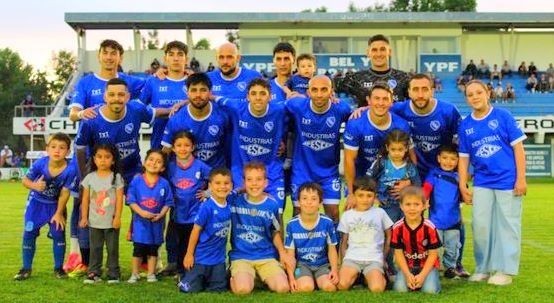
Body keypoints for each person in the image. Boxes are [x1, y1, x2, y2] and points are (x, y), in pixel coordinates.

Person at [458, 80, 527, 286]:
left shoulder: (503, 116)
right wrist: (462, 184)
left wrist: (521, 178)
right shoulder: (465, 125)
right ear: (467, 99)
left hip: (507, 181)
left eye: (479, 92)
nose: (475, 97)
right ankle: (483, 268)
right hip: (482, 182)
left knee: (508, 225)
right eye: (470, 94)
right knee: (481, 226)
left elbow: (518, 149)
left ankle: (505, 270)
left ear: (488, 93)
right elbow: (463, 158)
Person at [287, 75, 352, 223]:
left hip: (328, 172)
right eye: (314, 90)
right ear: (308, 92)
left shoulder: (342, 109)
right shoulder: (296, 105)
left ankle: (333, 246)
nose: (319, 94)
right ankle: (297, 246)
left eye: (324, 89)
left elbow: (359, 118)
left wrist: (365, 108)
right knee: (298, 213)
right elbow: (276, 113)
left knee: (334, 214)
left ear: (332, 91)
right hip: (302, 171)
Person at [216, 79, 287, 210]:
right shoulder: (236, 107)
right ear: (248, 96)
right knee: (240, 214)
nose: (258, 98)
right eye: (253, 93)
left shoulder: (280, 109)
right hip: (241, 171)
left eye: (262, 93)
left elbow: (304, 103)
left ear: (270, 96)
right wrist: (183, 102)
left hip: (272, 171)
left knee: (276, 213)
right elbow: (212, 97)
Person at [14, 133, 76, 280]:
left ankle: (59, 269)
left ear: (68, 152)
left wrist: (59, 213)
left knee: (58, 233)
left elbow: (65, 193)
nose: (57, 151)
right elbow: (25, 181)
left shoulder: (71, 169)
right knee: (29, 233)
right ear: (47, 149)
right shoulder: (40, 163)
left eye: (62, 148)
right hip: (36, 204)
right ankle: (26, 268)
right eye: (53, 147)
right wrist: (35, 185)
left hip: (55, 205)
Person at [344, 82, 413, 210]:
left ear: (391, 102)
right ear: (368, 100)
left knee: (394, 226)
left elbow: (410, 158)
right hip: (362, 181)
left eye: (385, 99)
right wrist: (351, 192)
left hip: (391, 184)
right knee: (357, 223)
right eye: (376, 98)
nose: (380, 103)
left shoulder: (401, 125)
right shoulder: (356, 123)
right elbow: (349, 160)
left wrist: (409, 181)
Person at [228, 162, 292, 294]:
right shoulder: (234, 201)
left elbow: (275, 232)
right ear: (244, 182)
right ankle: (234, 276)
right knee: (243, 290)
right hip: (241, 256)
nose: (254, 183)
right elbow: (220, 195)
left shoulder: (271, 204)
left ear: (266, 182)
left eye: (258, 179)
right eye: (249, 180)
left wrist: (282, 253)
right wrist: (240, 189)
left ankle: (257, 276)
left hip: (266, 256)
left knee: (283, 288)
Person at [391, 73, 461, 180]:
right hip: (412, 172)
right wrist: (363, 109)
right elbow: (378, 108)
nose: (420, 95)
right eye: (415, 89)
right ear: (409, 92)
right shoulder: (399, 110)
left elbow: (462, 144)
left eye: (424, 89)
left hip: (443, 171)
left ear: (432, 91)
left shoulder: (448, 111)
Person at [178, 168, 232, 293]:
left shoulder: (229, 205)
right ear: (210, 186)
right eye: (217, 183)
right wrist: (189, 254)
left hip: (218, 260)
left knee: (218, 290)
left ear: (231, 185)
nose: (222, 187)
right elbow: (195, 231)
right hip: (201, 258)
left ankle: (216, 276)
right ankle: (185, 277)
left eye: (226, 183)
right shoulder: (206, 207)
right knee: (189, 289)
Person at [161, 73, 230, 169]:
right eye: (193, 90)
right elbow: (165, 153)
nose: (198, 95)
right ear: (187, 93)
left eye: (203, 90)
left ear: (210, 92)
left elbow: (231, 146)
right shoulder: (176, 120)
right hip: (187, 175)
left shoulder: (223, 115)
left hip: (216, 174)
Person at [165, 131, 211, 275]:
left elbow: (215, 180)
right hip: (177, 214)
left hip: (195, 214)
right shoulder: (170, 167)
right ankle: (179, 270)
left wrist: (208, 192)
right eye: (179, 145)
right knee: (176, 243)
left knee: (192, 243)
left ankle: (194, 270)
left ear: (193, 147)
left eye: (186, 145)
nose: (182, 148)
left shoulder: (201, 166)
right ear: (173, 148)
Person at [337, 177, 393, 292]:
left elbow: (389, 236)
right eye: (360, 195)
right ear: (354, 196)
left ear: (375, 197)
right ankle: (357, 276)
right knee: (342, 285)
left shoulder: (380, 213)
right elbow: (344, 241)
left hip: (374, 258)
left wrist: (383, 257)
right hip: (352, 258)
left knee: (377, 289)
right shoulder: (348, 215)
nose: (365, 199)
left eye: (369, 196)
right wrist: (342, 262)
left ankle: (370, 276)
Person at [126, 149, 174, 283]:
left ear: (163, 167)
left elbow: (168, 203)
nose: (154, 163)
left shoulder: (164, 183)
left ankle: (151, 274)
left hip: (156, 224)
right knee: (138, 249)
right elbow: (131, 201)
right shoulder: (136, 181)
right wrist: (142, 213)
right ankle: (134, 273)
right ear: (144, 162)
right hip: (140, 224)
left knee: (153, 250)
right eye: (151, 159)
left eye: (158, 162)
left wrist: (161, 215)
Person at [79, 144, 124, 284]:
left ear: (113, 160)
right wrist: (84, 217)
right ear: (94, 159)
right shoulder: (89, 178)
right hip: (94, 221)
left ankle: (113, 272)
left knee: (112, 248)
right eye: (99, 157)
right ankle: (94, 272)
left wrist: (117, 217)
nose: (103, 160)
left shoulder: (116, 177)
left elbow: (119, 200)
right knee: (95, 248)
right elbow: (85, 199)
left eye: (107, 157)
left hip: (110, 222)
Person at [285, 182, 339, 293]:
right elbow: (290, 255)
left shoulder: (327, 223)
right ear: (299, 202)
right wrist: (291, 278)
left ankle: (318, 278)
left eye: (314, 199)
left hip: (322, 265)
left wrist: (334, 270)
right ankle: (307, 279)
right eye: (304, 198)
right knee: (306, 288)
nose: (309, 202)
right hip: (302, 265)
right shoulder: (292, 224)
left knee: (330, 287)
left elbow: (332, 250)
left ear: (320, 203)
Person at [422, 143, 463, 279]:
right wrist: (423, 200)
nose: (448, 162)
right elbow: (427, 188)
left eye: (452, 159)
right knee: (434, 247)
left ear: (458, 160)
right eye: (445, 158)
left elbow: (464, 193)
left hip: (453, 221)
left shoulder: (459, 177)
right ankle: (433, 267)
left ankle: (450, 268)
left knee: (452, 248)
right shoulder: (434, 174)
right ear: (439, 158)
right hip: (435, 220)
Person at [335, 34, 410, 106]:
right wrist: (330, 96)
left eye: (382, 49)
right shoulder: (356, 78)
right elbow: (330, 85)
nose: (379, 54)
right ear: (368, 53)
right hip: (366, 118)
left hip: (395, 119)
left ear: (389, 52)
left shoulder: (403, 78)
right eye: (374, 50)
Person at [391, 186, 441, 294]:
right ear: (401, 206)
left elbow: (433, 254)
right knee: (400, 290)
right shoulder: (397, 228)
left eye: (416, 204)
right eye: (408, 204)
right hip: (407, 267)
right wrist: (407, 275)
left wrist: (422, 276)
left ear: (424, 206)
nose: (412, 208)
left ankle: (430, 278)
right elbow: (398, 254)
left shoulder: (429, 227)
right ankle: (410, 279)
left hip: (427, 267)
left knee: (429, 290)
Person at [140, 41, 189, 149]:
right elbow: (139, 109)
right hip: (158, 148)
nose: (175, 59)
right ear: (165, 59)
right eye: (171, 54)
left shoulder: (193, 83)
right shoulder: (153, 81)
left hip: (188, 150)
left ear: (187, 59)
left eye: (180, 54)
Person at [367, 130, 420, 224]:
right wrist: (374, 197)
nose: (396, 153)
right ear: (387, 148)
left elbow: (417, 185)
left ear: (406, 148)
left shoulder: (410, 166)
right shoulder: (381, 163)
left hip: (405, 205)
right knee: (388, 230)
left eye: (400, 149)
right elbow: (368, 180)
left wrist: (409, 187)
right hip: (386, 204)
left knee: (403, 230)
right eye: (393, 149)